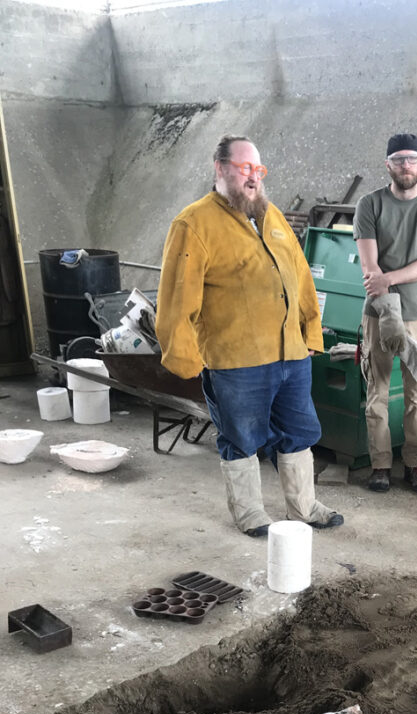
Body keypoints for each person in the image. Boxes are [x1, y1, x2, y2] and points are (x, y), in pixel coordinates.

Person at [156, 134, 342, 538]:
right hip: (236, 360)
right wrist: (184, 358)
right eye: (244, 168)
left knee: (299, 432)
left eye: (258, 169)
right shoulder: (193, 223)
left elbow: (301, 278)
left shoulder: (271, 216)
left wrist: (310, 332)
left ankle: (304, 506)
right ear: (220, 168)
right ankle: (250, 512)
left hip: (291, 354)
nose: (253, 177)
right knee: (241, 438)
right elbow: (175, 298)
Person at [353, 133, 417, 493]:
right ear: (388, 165)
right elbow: (369, 264)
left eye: (412, 159)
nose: (405, 166)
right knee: (377, 392)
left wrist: (389, 280)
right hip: (377, 314)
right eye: (398, 160)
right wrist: (382, 288)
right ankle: (380, 465)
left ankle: (415, 463)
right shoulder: (369, 204)